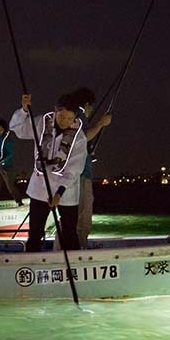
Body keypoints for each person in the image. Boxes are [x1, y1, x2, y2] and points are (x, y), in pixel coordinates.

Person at [9, 93, 88, 252]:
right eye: (61, 116)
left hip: (65, 193)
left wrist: (59, 192)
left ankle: (72, 264)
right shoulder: (41, 123)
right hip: (40, 188)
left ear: (74, 118)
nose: (64, 121)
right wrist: (24, 110)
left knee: (69, 232)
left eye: (68, 118)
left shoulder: (79, 138)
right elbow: (18, 129)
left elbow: (74, 169)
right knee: (35, 232)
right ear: (55, 111)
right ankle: (31, 263)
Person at [67, 88, 112, 248]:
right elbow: (83, 137)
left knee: (79, 218)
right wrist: (101, 123)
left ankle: (78, 248)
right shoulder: (78, 114)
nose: (91, 110)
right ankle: (68, 252)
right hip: (80, 176)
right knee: (79, 218)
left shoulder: (74, 115)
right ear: (86, 104)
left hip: (80, 174)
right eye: (91, 107)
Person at [0, 119, 23, 209]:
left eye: (0, 130)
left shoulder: (7, 140)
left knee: (10, 186)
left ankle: (19, 201)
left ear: (4, 129)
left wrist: (3, 161)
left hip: (7, 166)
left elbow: (10, 154)